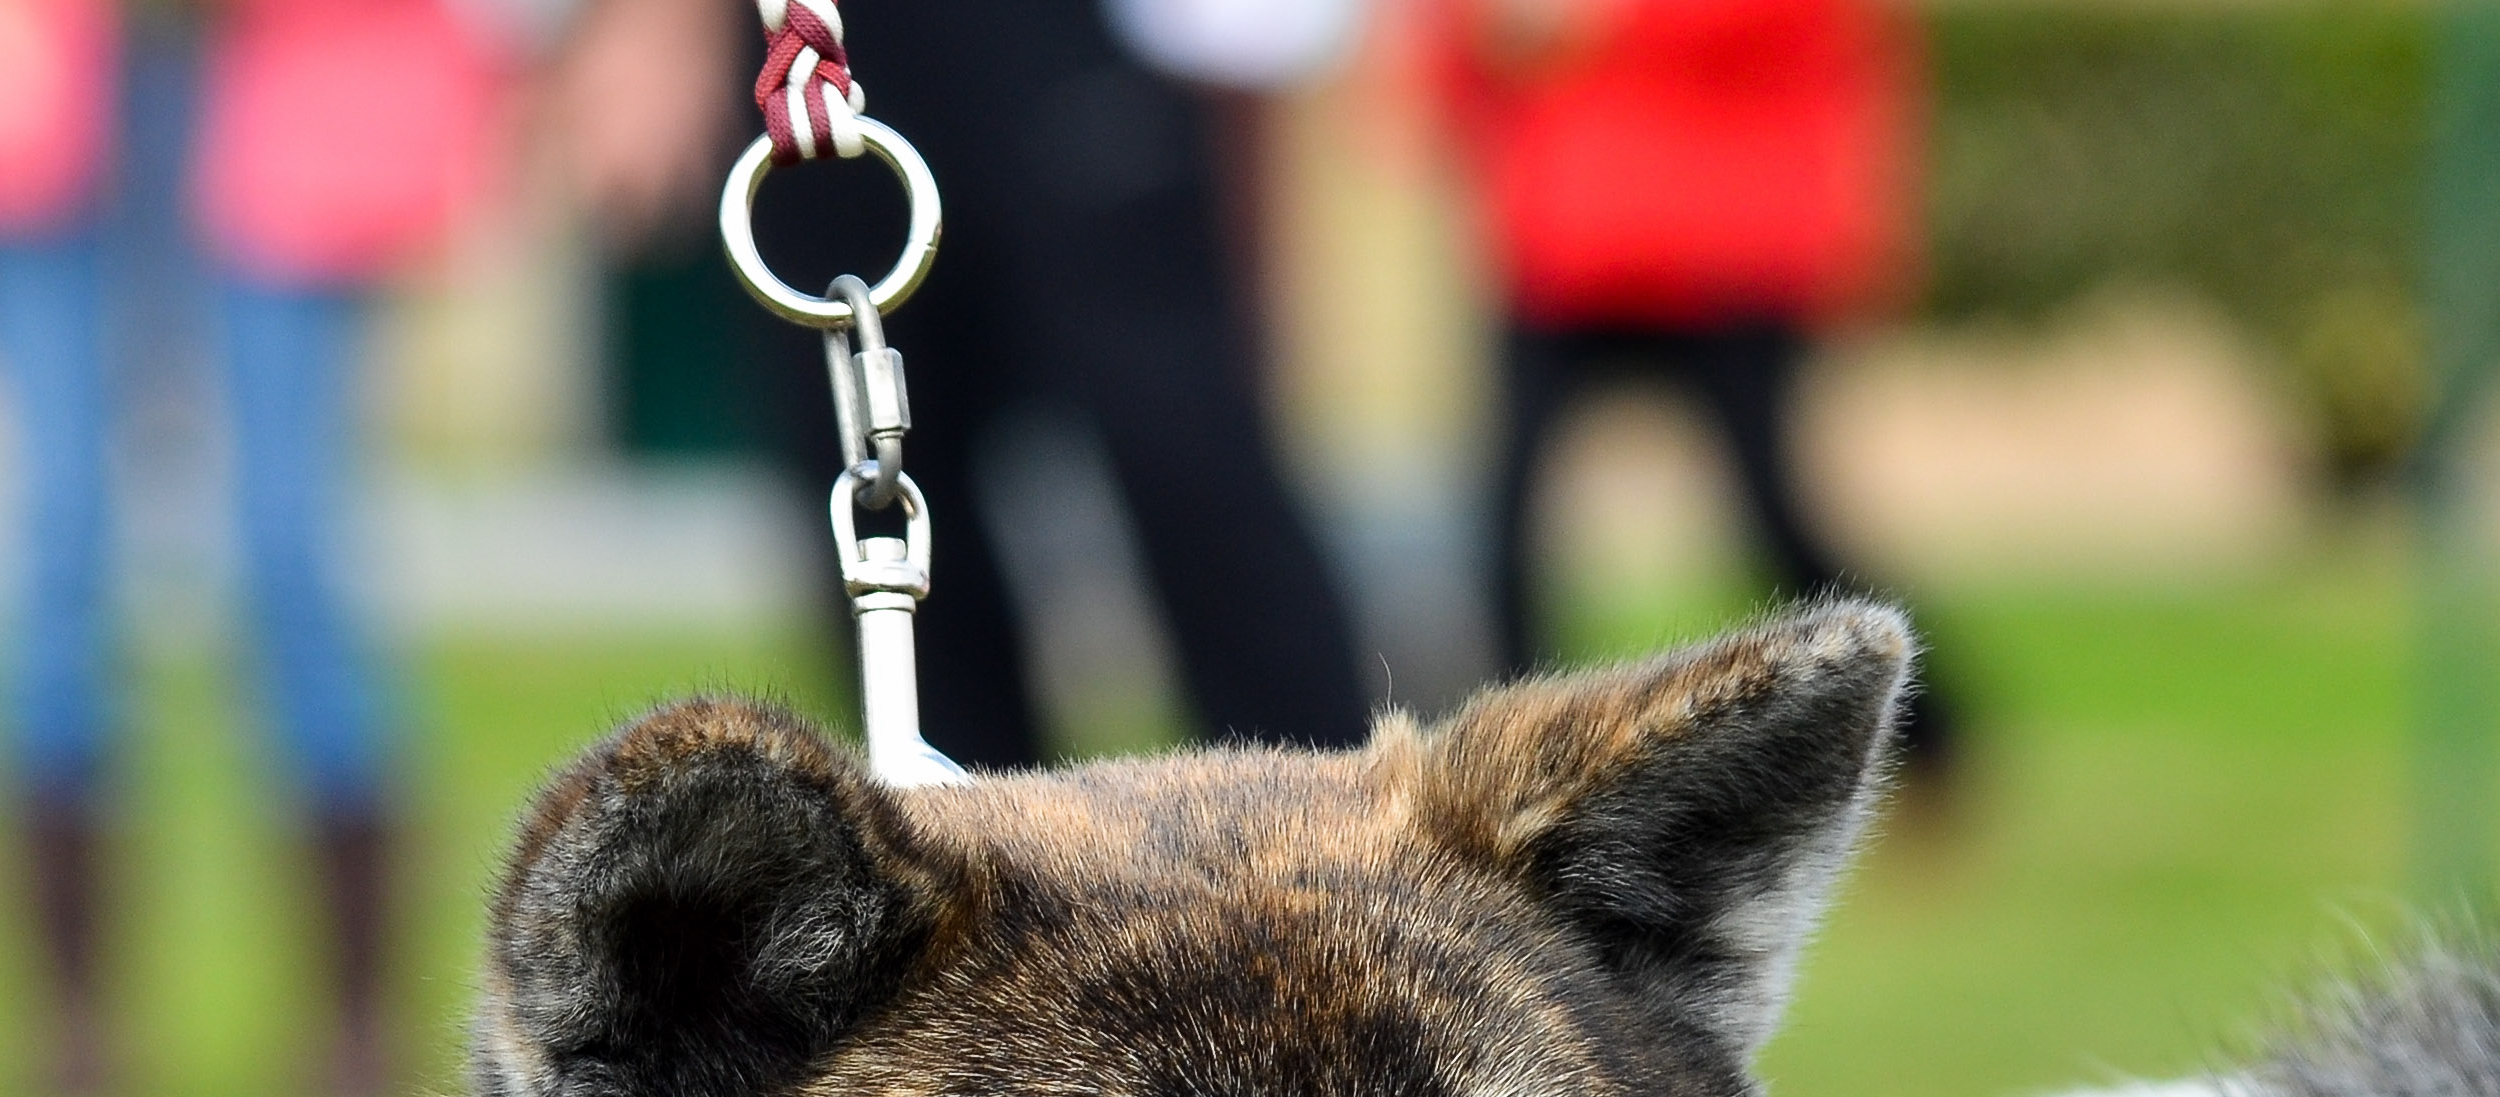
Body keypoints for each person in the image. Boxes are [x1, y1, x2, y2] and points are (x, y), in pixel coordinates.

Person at [0, 0, 510, 1097]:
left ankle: (355, 1020)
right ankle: (72, 1025)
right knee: (57, 542)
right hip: (27, 87)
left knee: (292, 550)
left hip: (294, 78)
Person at [553, 0, 1374, 767]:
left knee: (1192, 469)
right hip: (828, 44)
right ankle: (972, 856)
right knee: (881, 489)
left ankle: (1331, 834)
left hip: (1070, 40)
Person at [1421, 0, 1955, 772]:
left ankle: (1921, 725)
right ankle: (1518, 764)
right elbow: (1456, 59)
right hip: (1565, 242)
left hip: (1726, 240)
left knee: (1774, 514)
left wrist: (1607, 24)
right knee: (1505, 516)